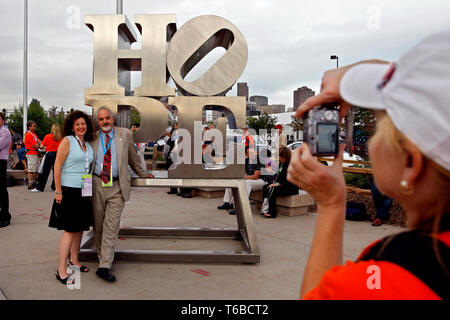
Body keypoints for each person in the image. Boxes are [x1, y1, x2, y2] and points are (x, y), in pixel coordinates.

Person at [288, 30, 450, 299]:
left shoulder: (394, 279)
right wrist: (360, 78)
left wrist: (330, 204)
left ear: (411, 163)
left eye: (378, 125)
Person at [91, 107, 153, 282]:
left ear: (113, 119)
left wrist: (142, 173)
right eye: (101, 119)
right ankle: (101, 256)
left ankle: (104, 265)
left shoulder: (125, 134)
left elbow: (133, 157)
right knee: (98, 225)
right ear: (98, 121)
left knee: (112, 225)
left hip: (118, 186)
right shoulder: (93, 137)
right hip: (97, 184)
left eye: (107, 118)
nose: (105, 122)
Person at [48, 111, 95, 284]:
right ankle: (61, 269)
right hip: (68, 190)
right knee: (69, 230)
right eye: (77, 124)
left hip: (84, 188)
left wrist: (88, 192)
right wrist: (58, 190)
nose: (81, 127)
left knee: (80, 227)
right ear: (72, 127)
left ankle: (74, 260)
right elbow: (57, 166)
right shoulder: (67, 141)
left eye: (83, 124)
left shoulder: (87, 143)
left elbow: (87, 170)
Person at [218, 148, 268, 215]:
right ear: (246, 155)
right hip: (251, 180)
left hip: (262, 181)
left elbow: (255, 176)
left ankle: (241, 207)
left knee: (247, 183)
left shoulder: (259, 161)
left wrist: (244, 178)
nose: (253, 154)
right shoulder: (246, 161)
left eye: (253, 152)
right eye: (250, 153)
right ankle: (227, 203)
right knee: (233, 181)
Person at [261, 147, 298, 218]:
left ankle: (272, 212)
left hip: (290, 187)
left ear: (283, 156)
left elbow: (285, 181)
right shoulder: (281, 164)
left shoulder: (288, 166)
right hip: (282, 185)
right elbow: (276, 176)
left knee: (272, 189)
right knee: (265, 187)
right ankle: (264, 209)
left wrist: (274, 184)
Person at [32, 124, 62, 192]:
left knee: (45, 172)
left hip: (49, 154)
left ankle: (40, 188)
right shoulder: (61, 137)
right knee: (56, 171)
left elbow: (42, 146)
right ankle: (54, 187)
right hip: (58, 155)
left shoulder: (48, 136)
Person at [0, 112, 12, 228]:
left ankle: (5, 216)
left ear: (3, 120)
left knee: (2, 189)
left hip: (1, 161)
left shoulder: (5, 132)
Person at [24, 120, 41, 190]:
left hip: (34, 153)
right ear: (29, 127)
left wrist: (42, 144)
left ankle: (33, 183)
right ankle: (30, 184)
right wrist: (41, 146)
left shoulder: (33, 134)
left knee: (35, 169)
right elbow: (36, 145)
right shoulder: (28, 134)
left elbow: (39, 141)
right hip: (31, 153)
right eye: (34, 126)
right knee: (31, 170)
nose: (35, 127)